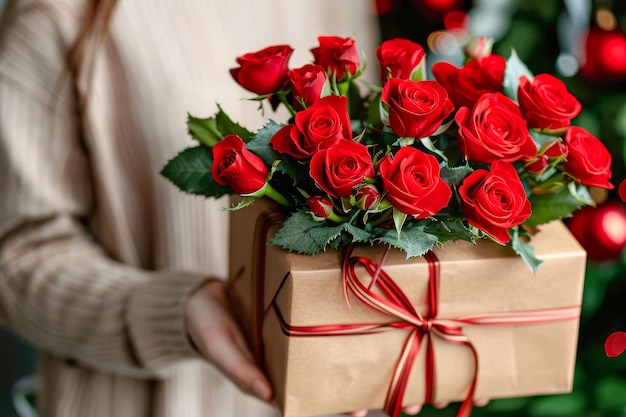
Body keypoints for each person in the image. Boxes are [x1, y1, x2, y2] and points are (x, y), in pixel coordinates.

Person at [0, 0, 407, 416]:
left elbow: (364, 171)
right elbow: (16, 260)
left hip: (321, 394)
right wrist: (172, 312)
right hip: (143, 402)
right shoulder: (61, 14)